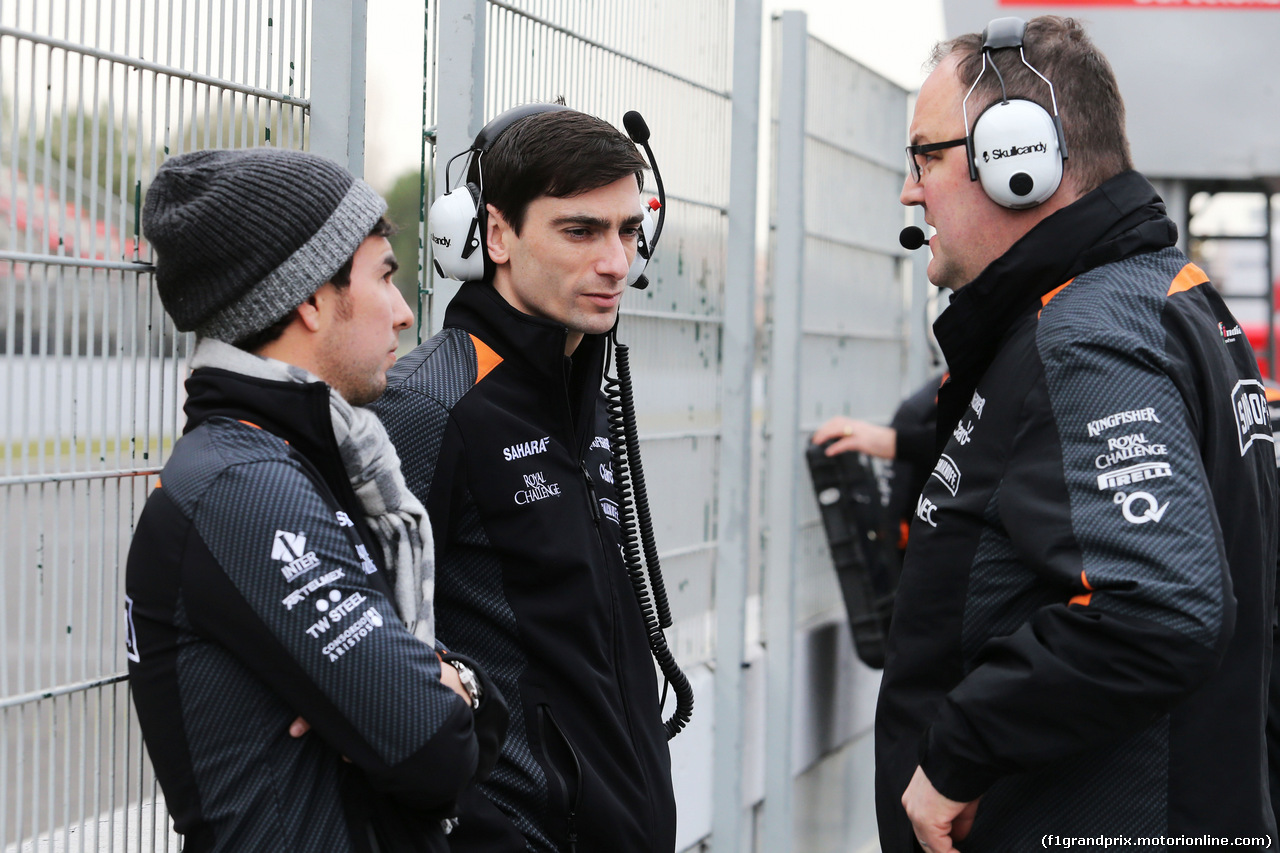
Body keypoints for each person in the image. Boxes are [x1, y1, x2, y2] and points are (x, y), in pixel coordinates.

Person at [875, 15, 1278, 853]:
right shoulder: (1166, 296)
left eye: (926, 156)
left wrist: (957, 753)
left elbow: (1157, 605)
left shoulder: (1086, 333)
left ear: (1017, 159)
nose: (912, 190)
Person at [125, 147, 507, 852]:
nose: (400, 312)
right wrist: (437, 693)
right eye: (385, 277)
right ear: (307, 296)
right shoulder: (245, 485)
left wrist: (452, 686)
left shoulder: (303, 458)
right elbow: (435, 747)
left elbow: (440, 717)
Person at [369, 106, 677, 852]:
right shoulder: (429, 406)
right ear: (493, 234)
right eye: (581, 231)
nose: (617, 263)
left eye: (629, 231)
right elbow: (366, 668)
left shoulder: (583, 391)